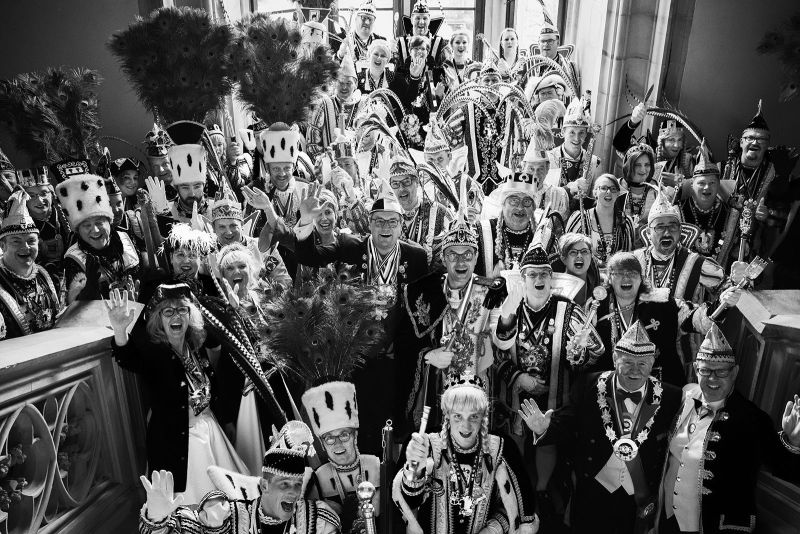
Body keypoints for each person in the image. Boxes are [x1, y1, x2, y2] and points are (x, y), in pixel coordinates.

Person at [519, 320, 682, 534]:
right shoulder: (589, 385)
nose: (635, 370)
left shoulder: (671, 396)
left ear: (652, 364)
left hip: (639, 498)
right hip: (593, 492)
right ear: (615, 359)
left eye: (642, 364)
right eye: (627, 362)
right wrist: (544, 428)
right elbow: (567, 423)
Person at [106, 284, 247, 504]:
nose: (176, 316)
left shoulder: (195, 346)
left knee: (230, 501)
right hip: (179, 442)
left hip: (212, 431)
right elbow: (128, 359)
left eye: (182, 310)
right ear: (159, 320)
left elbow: (214, 388)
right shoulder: (154, 353)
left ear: (190, 316)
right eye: (168, 311)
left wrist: (226, 420)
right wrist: (120, 331)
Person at [656, 324, 800, 534]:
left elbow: (784, 467)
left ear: (735, 373)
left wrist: (793, 441)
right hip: (667, 521)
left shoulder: (752, 419)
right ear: (696, 370)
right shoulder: (685, 397)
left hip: (713, 526)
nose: (712, 378)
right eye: (705, 370)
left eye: (721, 371)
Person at [493, 246, 603, 517]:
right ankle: (516, 489)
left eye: (544, 274)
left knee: (548, 438)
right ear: (523, 279)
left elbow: (596, 349)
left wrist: (579, 354)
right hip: (517, 392)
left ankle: (542, 491)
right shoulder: (508, 307)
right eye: (533, 275)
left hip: (556, 392)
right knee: (515, 439)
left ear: (552, 279)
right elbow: (494, 352)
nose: (539, 279)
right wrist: (518, 378)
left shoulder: (568, 309)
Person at [398, 197, 505, 435]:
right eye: (453, 255)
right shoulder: (424, 291)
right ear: (443, 258)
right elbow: (405, 343)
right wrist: (428, 355)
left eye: (467, 254)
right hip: (436, 388)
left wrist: (505, 319)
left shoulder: (491, 291)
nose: (460, 261)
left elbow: (502, 339)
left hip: (478, 386)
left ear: (476, 259)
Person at [135, 421, 341, 534]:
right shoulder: (232, 517)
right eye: (284, 483)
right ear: (264, 485)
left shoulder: (318, 520)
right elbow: (186, 527)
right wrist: (157, 518)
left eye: (297, 484)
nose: (293, 492)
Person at [394, 373, 537, 534]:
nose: (466, 426)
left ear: (483, 416)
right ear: (446, 414)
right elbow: (407, 506)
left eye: (474, 416)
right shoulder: (425, 445)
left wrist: (492, 530)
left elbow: (520, 509)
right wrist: (415, 468)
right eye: (458, 416)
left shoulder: (502, 449)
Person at [586, 251, 740, 385]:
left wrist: (722, 304)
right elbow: (588, 353)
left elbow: (697, 320)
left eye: (632, 273)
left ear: (641, 278)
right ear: (609, 278)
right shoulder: (596, 307)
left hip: (659, 384)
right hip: (610, 384)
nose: (626, 278)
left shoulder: (663, 302)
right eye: (619, 273)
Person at [718, 101, 791, 269]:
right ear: (741, 142)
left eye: (761, 139)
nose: (755, 142)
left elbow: (782, 217)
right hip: (719, 238)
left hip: (752, 246)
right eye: (750, 138)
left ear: (767, 146)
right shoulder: (722, 168)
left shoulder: (773, 175)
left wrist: (767, 214)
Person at [302, 379, 382, 533]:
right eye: (329, 438)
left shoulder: (378, 466)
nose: (337, 443)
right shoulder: (316, 479)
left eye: (344, 435)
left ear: (355, 436)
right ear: (322, 443)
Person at [632, 186, 725, 304]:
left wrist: (738, 280)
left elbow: (726, 287)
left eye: (673, 226)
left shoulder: (695, 263)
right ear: (649, 233)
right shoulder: (634, 261)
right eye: (660, 227)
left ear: (680, 231)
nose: (667, 232)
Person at [58, 172, 140, 303]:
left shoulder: (124, 238)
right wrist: (90, 289)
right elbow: (76, 309)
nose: (95, 230)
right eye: (86, 225)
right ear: (78, 230)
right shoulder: (74, 258)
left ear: (109, 221)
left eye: (99, 222)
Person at [0, 188, 61, 340]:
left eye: (31, 241)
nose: (26, 247)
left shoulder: (45, 275)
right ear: (3, 246)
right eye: (16, 241)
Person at [14, 166, 71, 287]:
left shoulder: (68, 214)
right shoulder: (17, 226)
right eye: (32, 195)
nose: (40, 200)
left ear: (52, 193)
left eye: (44, 193)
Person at [390, 157, 453, 263]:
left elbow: (453, 255)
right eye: (395, 184)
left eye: (406, 182)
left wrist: (425, 256)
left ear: (417, 182)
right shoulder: (387, 215)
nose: (401, 189)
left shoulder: (439, 213)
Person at [566, 174, 635, 268]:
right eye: (603, 188)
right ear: (595, 192)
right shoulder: (579, 218)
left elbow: (629, 257)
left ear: (618, 193)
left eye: (613, 189)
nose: (609, 192)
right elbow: (567, 251)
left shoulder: (626, 222)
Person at [612, 103, 695, 179]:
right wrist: (633, 122)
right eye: (671, 140)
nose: (677, 145)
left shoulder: (688, 161)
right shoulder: (646, 154)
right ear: (662, 141)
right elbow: (619, 144)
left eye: (679, 140)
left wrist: (680, 182)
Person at [678, 140, 730, 258]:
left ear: (718, 184)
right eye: (701, 183)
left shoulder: (728, 213)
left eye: (712, 182)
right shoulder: (678, 210)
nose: (707, 187)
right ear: (692, 185)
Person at [549, 105, 600, 213]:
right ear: (563, 132)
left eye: (581, 133)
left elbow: (593, 196)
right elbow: (546, 195)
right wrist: (568, 188)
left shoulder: (593, 161)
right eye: (572, 132)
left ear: (586, 134)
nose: (577, 138)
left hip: (580, 220)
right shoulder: (549, 158)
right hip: (554, 217)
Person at [618, 143, 659, 245]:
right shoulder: (614, 187)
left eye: (647, 165)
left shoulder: (658, 190)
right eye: (637, 165)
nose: (643, 170)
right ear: (628, 166)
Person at [551, 232, 602, 306]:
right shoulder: (552, 292)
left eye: (584, 251)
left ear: (591, 256)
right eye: (573, 252)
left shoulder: (600, 289)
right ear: (563, 259)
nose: (579, 255)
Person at [395, 0, 446, 68]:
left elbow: (447, 70)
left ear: (429, 20)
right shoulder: (400, 43)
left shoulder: (440, 43)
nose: (421, 22)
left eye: (425, 18)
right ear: (412, 19)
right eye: (417, 18)